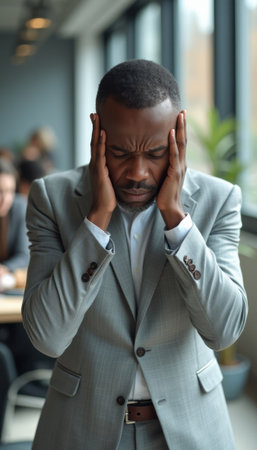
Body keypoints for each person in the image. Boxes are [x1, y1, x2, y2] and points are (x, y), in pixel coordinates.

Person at [22, 60, 248, 450]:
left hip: (190, 430)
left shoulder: (219, 201)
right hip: (82, 429)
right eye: (122, 152)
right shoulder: (51, 199)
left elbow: (224, 329)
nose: (138, 173)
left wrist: (178, 222)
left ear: (179, 134)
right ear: (98, 134)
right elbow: (47, 337)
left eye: (156, 153)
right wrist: (96, 222)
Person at [0, 158, 29, 291]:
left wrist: (4, 268)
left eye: (10, 191)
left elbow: (23, 255)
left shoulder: (19, 207)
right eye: (0, 191)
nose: (5, 199)